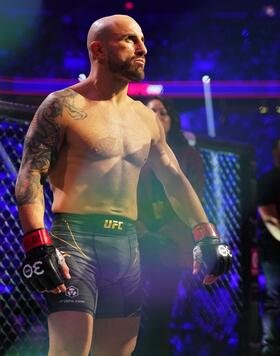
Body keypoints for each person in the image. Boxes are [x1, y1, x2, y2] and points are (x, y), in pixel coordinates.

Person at [15, 14, 231, 356]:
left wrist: (205, 234)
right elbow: (30, 174)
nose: (142, 48)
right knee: (70, 350)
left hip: (126, 243)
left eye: (142, 40)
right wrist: (37, 243)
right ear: (98, 50)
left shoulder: (145, 118)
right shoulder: (62, 106)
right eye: (129, 40)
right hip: (75, 238)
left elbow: (174, 179)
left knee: (117, 352)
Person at [133, 97, 205, 355]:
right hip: (136, 240)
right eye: (152, 111)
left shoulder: (187, 156)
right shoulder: (132, 152)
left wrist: (163, 233)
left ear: (172, 120)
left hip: (170, 243)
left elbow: (193, 196)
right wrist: (139, 226)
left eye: (163, 112)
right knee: (131, 310)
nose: (158, 116)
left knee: (161, 309)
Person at [257, 138, 280, 356]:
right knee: (275, 299)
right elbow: (271, 219)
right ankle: (270, 346)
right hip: (274, 254)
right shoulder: (269, 180)